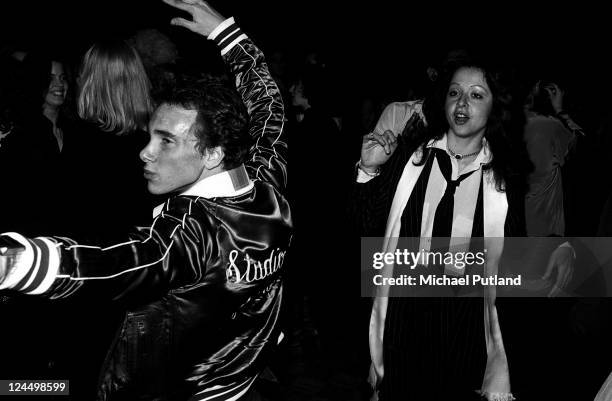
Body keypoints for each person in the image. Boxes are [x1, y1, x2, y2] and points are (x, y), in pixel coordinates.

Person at [0, 2, 290, 401]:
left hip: (189, 392)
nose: (145, 152)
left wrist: (17, 262)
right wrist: (228, 35)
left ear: (212, 154)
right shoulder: (268, 178)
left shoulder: (195, 230)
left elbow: (129, 264)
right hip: (245, 380)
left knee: (33, 391)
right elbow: (268, 105)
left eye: (166, 141)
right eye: (151, 135)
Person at [351, 55, 529, 400]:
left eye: (477, 95)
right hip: (405, 319)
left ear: (495, 106)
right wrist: (368, 170)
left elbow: (510, 266)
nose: (462, 103)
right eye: (454, 93)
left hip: (464, 328)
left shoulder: (505, 180)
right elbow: (363, 228)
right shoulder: (411, 158)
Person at [523, 79, 585, 236]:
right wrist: (559, 109)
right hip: (545, 217)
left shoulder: (500, 124)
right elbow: (581, 144)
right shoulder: (547, 125)